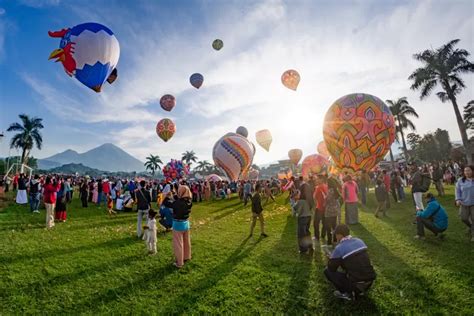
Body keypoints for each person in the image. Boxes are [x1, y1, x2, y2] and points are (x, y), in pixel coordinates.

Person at [324, 224, 376, 301]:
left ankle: (346, 293)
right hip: (370, 280)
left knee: (327, 271)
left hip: (356, 284)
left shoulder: (339, 248)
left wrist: (331, 258)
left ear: (339, 235)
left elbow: (331, 268)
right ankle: (360, 288)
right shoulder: (359, 240)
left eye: (336, 235)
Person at [163, 185, 193, 268]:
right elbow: (179, 200)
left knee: (178, 244)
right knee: (186, 241)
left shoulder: (177, 203)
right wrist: (175, 195)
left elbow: (167, 203)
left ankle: (179, 262)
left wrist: (167, 196)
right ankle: (187, 256)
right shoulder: (189, 201)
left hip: (177, 224)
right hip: (186, 223)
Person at [455, 165, 474, 242]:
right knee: (464, 218)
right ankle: (470, 226)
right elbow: (457, 191)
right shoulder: (460, 180)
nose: (467, 172)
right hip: (464, 203)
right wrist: (457, 199)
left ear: (472, 171)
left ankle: (473, 234)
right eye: (465, 171)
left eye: (468, 170)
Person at [323, 178, 341, 245]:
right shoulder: (335, 190)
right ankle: (335, 240)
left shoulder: (330, 190)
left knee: (328, 227)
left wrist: (325, 197)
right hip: (335, 210)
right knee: (334, 226)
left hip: (329, 211)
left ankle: (329, 241)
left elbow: (328, 200)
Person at [313, 175, 328, 242]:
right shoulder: (326, 186)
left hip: (319, 207)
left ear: (321, 179)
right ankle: (323, 235)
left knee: (316, 223)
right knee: (324, 222)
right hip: (325, 207)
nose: (316, 180)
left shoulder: (318, 187)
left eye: (317, 179)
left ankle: (317, 236)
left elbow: (314, 197)